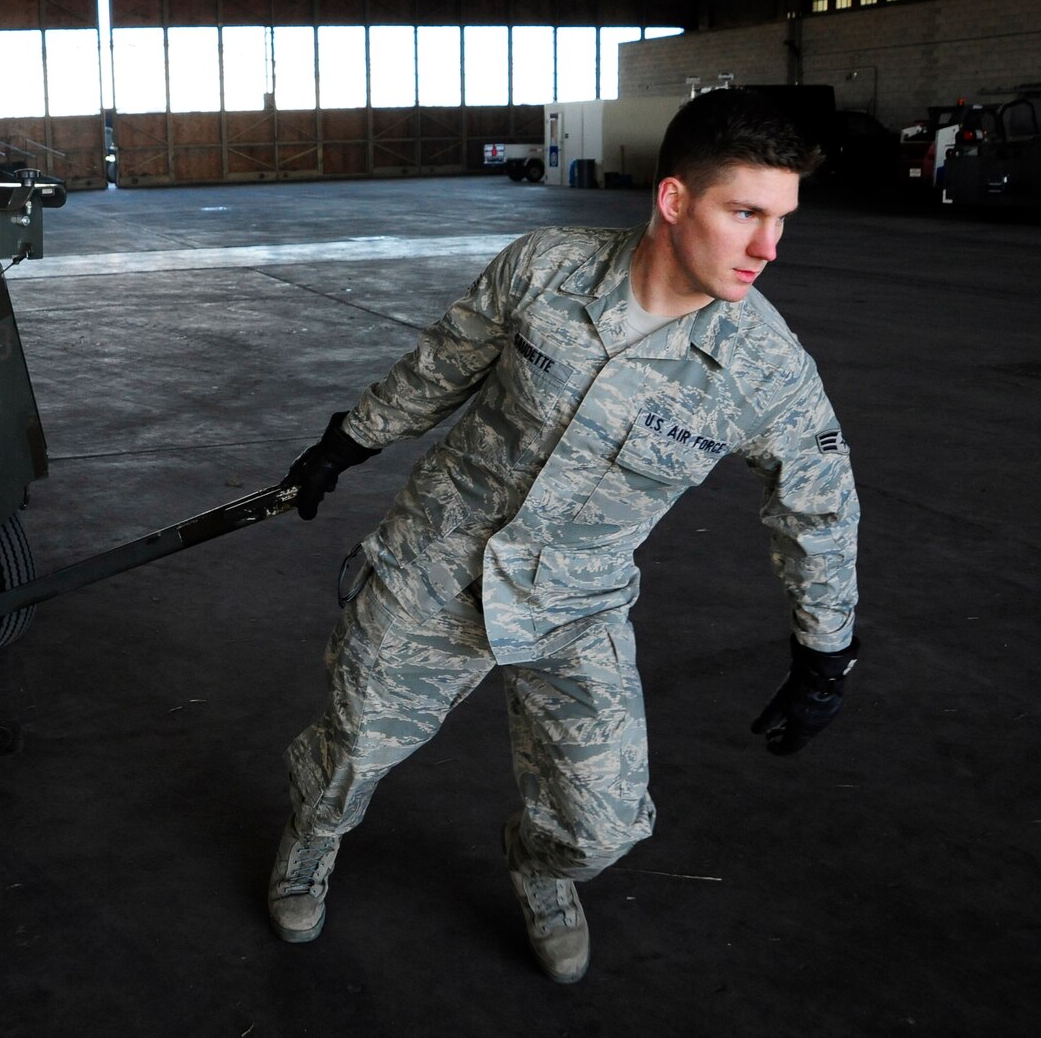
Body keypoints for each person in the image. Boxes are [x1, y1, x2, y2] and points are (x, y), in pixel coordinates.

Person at [269, 88, 862, 984]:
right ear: (674, 200)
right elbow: (442, 363)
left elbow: (821, 507)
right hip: (438, 558)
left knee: (605, 825)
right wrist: (346, 441)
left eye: (781, 219)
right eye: (745, 213)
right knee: (352, 749)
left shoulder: (765, 368)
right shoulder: (546, 269)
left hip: (577, 601)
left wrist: (826, 652)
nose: (768, 248)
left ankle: (541, 868)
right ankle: (310, 841)